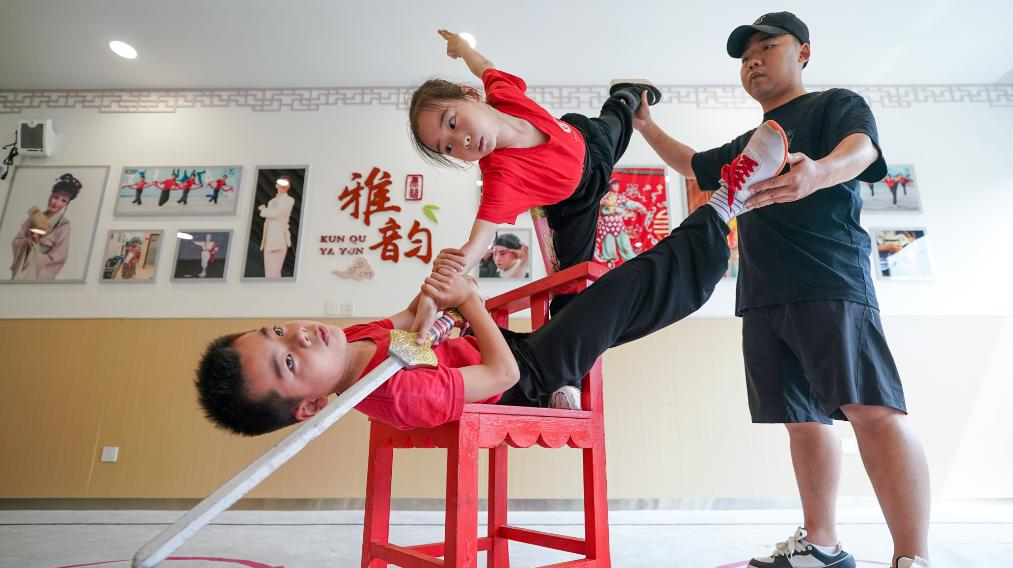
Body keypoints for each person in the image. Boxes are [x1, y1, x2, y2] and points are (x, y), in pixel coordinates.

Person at [632, 10, 945, 568]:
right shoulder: (749, 142)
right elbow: (691, 165)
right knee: (802, 420)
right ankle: (823, 548)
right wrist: (643, 124)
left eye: (767, 47)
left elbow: (864, 150)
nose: (753, 60)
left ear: (802, 52)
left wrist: (818, 172)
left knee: (872, 408)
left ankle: (916, 567)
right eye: (744, 55)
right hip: (762, 294)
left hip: (829, 277)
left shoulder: (832, 105)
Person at [195, 119, 787, 440]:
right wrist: (471, 301)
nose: (300, 337)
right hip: (522, 376)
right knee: (619, 294)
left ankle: (695, 221)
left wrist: (435, 292)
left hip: (503, 348)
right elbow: (502, 375)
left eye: (278, 331)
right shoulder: (396, 395)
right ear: (311, 406)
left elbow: (410, 322)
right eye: (288, 363)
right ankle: (723, 205)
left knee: (597, 300)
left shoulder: (350, 344)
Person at [407, 28, 662, 338]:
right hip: (576, 202)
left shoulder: (503, 94)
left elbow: (483, 65)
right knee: (571, 286)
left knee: (617, 117)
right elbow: (477, 244)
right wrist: (435, 293)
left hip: (586, 138)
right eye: (448, 147)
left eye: (452, 122)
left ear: (471, 95)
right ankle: (566, 351)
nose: (462, 141)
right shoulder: (500, 177)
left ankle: (627, 93)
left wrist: (462, 47)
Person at [10, 173, 82, 281]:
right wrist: (26, 242)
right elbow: (17, 240)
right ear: (51, 195)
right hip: (24, 262)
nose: (57, 203)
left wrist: (38, 259)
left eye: (63, 200)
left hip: (40, 268)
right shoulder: (34, 216)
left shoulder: (64, 225)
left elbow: (60, 255)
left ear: (67, 203)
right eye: (55, 197)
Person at [595, 177, 646, 264]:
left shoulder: (619, 197)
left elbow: (630, 204)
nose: (617, 186)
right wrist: (601, 203)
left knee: (625, 245)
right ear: (610, 185)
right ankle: (609, 262)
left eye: (617, 184)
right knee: (608, 247)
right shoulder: (603, 197)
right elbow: (596, 205)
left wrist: (640, 206)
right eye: (614, 184)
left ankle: (631, 260)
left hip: (618, 225)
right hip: (606, 225)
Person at [258, 176, 295, 278]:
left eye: (285, 184)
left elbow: (276, 214)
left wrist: (263, 210)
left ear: (288, 187)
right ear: (276, 185)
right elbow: (271, 215)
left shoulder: (289, 200)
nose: (282, 186)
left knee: (273, 272)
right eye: (280, 183)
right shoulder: (272, 201)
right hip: (268, 239)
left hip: (278, 238)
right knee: (269, 272)